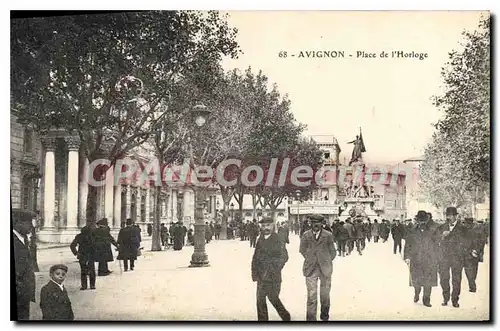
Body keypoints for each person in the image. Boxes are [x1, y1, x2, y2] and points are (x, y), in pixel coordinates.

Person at [251, 217, 291, 321]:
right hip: (261, 275)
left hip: (273, 276)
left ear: (273, 226)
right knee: (260, 300)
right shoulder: (260, 240)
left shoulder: (278, 239)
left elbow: (284, 256)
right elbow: (255, 257)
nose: (266, 228)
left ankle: (285, 316)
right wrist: (254, 272)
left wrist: (275, 267)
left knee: (273, 298)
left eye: (268, 225)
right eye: (263, 226)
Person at [300, 215, 336, 321]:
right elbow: (302, 249)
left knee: (325, 296)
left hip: (325, 269)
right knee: (312, 295)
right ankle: (311, 320)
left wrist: (326, 260)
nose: (315, 225)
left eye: (318, 223)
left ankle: (324, 317)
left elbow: (333, 252)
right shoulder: (306, 235)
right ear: (310, 223)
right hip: (311, 269)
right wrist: (310, 258)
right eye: (313, 223)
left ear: (322, 224)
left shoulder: (328, 235)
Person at [404, 211, 440, 307]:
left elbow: (437, 245)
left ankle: (426, 300)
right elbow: (408, 245)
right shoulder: (412, 231)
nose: (422, 223)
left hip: (429, 260)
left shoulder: (433, 231)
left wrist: (437, 258)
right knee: (417, 280)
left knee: (428, 281)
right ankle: (417, 293)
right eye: (420, 221)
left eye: (424, 221)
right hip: (416, 260)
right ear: (417, 221)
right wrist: (407, 257)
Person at [438, 207, 470, 308]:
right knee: (444, 279)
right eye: (447, 215)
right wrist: (442, 236)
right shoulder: (441, 227)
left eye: (451, 215)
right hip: (444, 257)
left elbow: (467, 242)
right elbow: (435, 240)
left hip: (457, 258)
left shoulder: (463, 228)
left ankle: (455, 299)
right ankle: (445, 298)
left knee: (456, 279)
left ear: (456, 216)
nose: (448, 217)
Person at [12, 209, 36, 320]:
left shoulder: (24, 239)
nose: (32, 226)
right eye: (29, 222)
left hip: (24, 294)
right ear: (18, 223)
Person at [462, 218, 486, 293]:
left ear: (470, 223)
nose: (466, 225)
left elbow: (482, 241)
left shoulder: (478, 230)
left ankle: (472, 282)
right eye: (465, 223)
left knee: (474, 269)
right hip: (468, 253)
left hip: (475, 253)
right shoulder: (464, 230)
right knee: (469, 270)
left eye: (467, 223)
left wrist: (478, 250)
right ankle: (472, 284)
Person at [70, 226, 97, 290]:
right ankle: (92, 285)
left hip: (82, 255)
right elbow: (96, 246)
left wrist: (76, 253)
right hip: (90, 255)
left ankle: (84, 286)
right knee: (92, 270)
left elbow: (72, 245)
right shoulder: (92, 236)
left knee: (83, 271)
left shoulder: (79, 236)